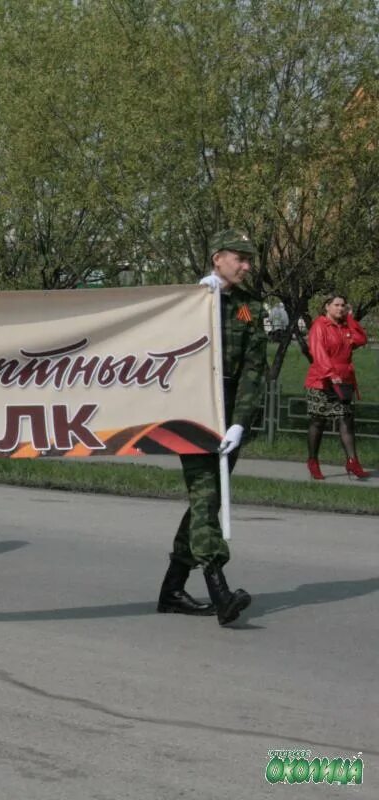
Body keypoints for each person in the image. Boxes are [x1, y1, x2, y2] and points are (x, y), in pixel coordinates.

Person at [157, 229, 262, 626]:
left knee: (208, 499)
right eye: (240, 257)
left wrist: (240, 422)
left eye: (249, 259)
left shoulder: (250, 306)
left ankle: (171, 590)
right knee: (205, 498)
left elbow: (254, 369)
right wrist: (197, 304)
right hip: (194, 413)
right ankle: (220, 591)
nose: (247, 265)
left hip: (230, 417)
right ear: (218, 258)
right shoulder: (190, 303)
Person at [304, 294, 369, 480]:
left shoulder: (345, 327)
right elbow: (318, 351)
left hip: (344, 381)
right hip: (321, 381)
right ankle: (313, 460)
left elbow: (361, 339)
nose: (340, 308)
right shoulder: (319, 326)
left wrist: (350, 318)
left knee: (346, 420)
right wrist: (330, 373)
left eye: (343, 306)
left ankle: (352, 461)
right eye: (336, 305)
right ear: (327, 307)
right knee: (318, 421)